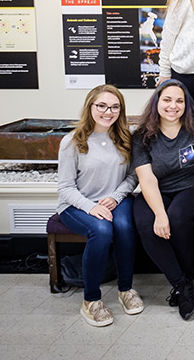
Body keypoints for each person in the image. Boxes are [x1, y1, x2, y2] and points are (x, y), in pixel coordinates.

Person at [57, 85, 142, 327]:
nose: (108, 111)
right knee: (102, 230)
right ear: (90, 107)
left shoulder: (126, 138)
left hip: (116, 199)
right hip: (77, 205)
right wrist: (89, 207)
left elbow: (133, 177)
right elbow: (65, 188)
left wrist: (115, 197)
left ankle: (126, 289)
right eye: (102, 106)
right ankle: (91, 300)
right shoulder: (71, 142)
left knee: (125, 227)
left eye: (115, 107)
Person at [132, 79, 194, 321]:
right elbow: (147, 180)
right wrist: (159, 213)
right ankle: (183, 286)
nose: (173, 106)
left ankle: (185, 282)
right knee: (147, 223)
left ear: (187, 104)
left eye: (179, 101)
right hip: (157, 189)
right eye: (167, 100)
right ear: (157, 102)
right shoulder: (142, 137)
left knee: (177, 218)